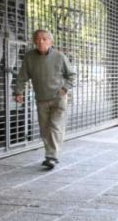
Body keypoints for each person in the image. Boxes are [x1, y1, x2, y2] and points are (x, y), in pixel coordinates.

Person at [14, 29, 76, 170]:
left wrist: (64, 88)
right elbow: (22, 76)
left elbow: (72, 75)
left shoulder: (60, 57)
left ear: (50, 41)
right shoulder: (29, 57)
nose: (40, 41)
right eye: (37, 39)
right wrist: (18, 92)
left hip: (58, 98)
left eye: (44, 39)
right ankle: (51, 154)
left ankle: (51, 156)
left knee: (55, 126)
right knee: (44, 129)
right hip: (41, 98)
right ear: (34, 41)